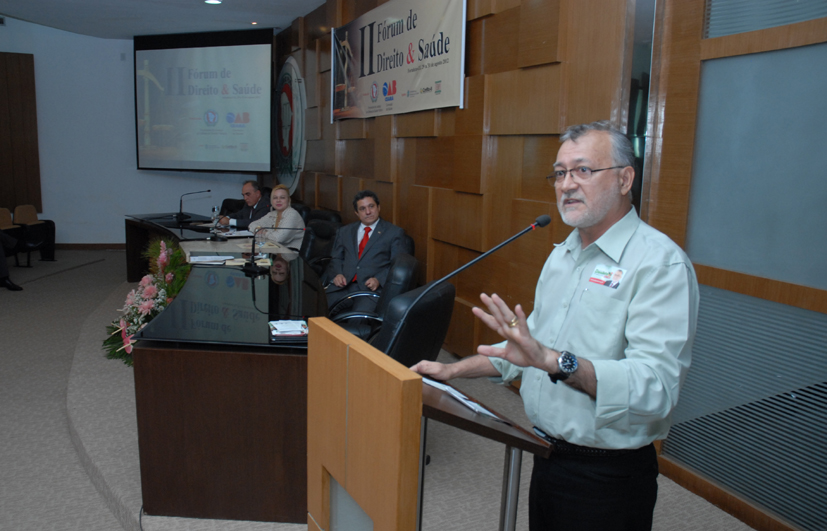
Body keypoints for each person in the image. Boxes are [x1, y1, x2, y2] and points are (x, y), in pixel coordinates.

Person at [412, 121, 700, 531]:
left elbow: (655, 388)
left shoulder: (659, 264)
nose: (567, 185)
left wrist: (554, 361)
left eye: (583, 170)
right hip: (546, 454)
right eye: (560, 173)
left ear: (624, 179)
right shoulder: (562, 255)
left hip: (608, 476)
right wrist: (452, 371)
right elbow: (529, 353)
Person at [323, 190, 408, 313]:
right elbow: (336, 257)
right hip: (344, 285)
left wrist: (378, 279)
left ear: (378, 207)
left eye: (371, 206)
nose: (368, 212)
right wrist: (338, 274)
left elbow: (397, 265)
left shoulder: (394, 233)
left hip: (370, 290)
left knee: (358, 319)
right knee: (319, 310)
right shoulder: (345, 231)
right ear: (357, 213)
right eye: (362, 209)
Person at [248, 185, 306, 250]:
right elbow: (251, 225)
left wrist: (264, 232)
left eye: (282, 197)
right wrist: (259, 230)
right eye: (275, 198)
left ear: (288, 200)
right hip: (275, 251)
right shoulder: (272, 214)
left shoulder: (292, 214)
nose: (278, 200)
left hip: (291, 252)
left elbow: (278, 238)